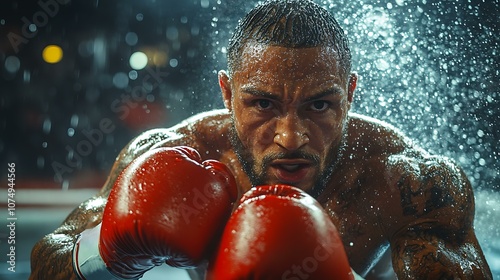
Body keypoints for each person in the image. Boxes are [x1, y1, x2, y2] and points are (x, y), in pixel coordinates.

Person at [30, 0, 493, 279]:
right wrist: (106, 252)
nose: (291, 137)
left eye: (318, 105)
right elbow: (45, 264)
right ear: (228, 94)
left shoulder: (406, 184)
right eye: (263, 105)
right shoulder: (175, 153)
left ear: (349, 96)